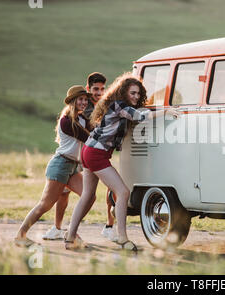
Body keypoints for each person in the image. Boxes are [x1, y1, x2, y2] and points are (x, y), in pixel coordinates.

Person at [64, 72, 179, 251]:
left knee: (88, 196)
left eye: (138, 94)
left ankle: (70, 236)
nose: (136, 96)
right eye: (132, 93)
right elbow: (140, 116)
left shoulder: (116, 105)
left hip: (90, 149)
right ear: (124, 92)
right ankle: (122, 237)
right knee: (123, 192)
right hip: (96, 153)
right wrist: (166, 111)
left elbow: (138, 114)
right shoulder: (119, 105)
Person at [41, 73, 118, 242]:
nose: (99, 92)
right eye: (95, 89)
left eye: (102, 89)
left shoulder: (103, 104)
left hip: (86, 155)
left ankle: (109, 226)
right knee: (64, 194)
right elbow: (90, 132)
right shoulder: (85, 108)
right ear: (89, 89)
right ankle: (60, 228)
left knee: (102, 189)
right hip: (83, 155)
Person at [14, 85, 91, 247]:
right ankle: (20, 236)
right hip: (61, 165)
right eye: (80, 99)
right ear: (72, 101)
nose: (84, 102)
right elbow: (89, 138)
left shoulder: (83, 119)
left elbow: (95, 131)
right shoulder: (66, 121)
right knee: (45, 205)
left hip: (73, 167)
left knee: (89, 195)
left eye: (85, 99)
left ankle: (71, 232)